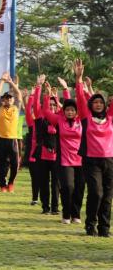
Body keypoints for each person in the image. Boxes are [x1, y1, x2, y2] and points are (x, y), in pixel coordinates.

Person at [74, 59, 113, 237]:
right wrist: (79, 79)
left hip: (110, 161)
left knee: (107, 196)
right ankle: (91, 225)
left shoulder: (110, 118)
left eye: (101, 102)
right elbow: (81, 98)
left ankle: (105, 228)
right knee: (96, 193)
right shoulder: (85, 118)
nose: (98, 104)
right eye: (95, 102)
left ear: (105, 105)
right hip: (91, 161)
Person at [41, 79, 84, 224]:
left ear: (76, 111)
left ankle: (76, 214)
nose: (70, 111)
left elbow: (81, 101)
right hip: (65, 160)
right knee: (67, 187)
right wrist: (47, 95)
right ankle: (66, 214)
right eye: (67, 110)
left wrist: (67, 88)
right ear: (64, 111)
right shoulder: (59, 120)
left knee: (79, 188)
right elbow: (46, 111)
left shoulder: (82, 121)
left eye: (72, 109)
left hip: (81, 160)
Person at [33, 75, 60, 214]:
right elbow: (37, 104)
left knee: (56, 183)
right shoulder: (40, 117)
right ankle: (45, 207)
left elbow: (67, 108)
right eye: (49, 105)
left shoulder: (60, 119)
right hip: (42, 156)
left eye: (54, 105)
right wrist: (39, 86)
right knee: (44, 183)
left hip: (57, 157)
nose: (52, 107)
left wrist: (53, 95)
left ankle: (55, 208)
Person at [0, 72, 22, 192]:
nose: (8, 99)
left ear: (13, 100)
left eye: (10, 98)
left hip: (13, 140)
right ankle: (2, 185)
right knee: (0, 164)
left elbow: (19, 94)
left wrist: (10, 82)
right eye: (6, 98)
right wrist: (1, 81)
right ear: (3, 100)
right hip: (0, 139)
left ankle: (11, 183)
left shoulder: (16, 107)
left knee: (15, 164)